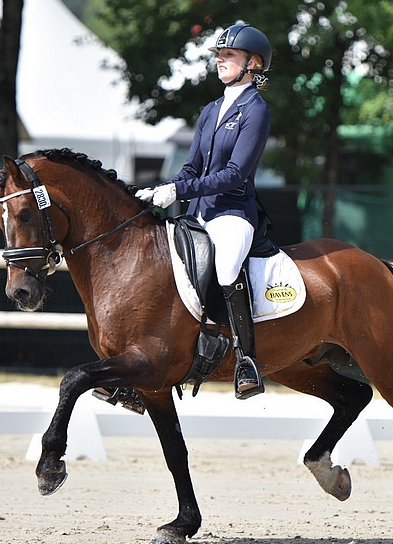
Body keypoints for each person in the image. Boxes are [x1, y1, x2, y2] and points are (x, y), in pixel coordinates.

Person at [135, 23, 272, 400]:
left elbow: (234, 175)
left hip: (232, 213)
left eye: (229, 55)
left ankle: (247, 360)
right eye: (220, 55)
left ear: (252, 63)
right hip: (197, 212)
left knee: (227, 266)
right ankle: (150, 362)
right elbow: (192, 167)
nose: (220, 61)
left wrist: (179, 189)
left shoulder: (255, 111)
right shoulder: (211, 110)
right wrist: (169, 187)